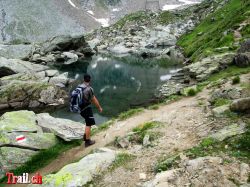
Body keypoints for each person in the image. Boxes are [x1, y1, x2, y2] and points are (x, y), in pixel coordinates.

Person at [80, 74, 102, 147]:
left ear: (83, 79)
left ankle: (85, 136)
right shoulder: (89, 89)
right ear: (90, 80)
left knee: (87, 121)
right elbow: (94, 99)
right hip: (86, 108)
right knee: (89, 124)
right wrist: (99, 107)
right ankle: (87, 141)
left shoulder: (79, 87)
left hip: (80, 108)